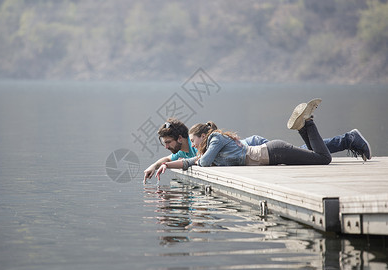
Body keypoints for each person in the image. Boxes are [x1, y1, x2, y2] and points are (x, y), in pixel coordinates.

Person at [143, 102, 372, 182]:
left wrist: (168, 164)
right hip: (264, 155)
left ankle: (312, 126)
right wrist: (159, 165)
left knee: (319, 157)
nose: (167, 148)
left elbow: (200, 162)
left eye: (168, 142)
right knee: (308, 152)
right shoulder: (195, 148)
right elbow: (184, 160)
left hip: (262, 150)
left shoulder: (206, 143)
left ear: (186, 139)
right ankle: (346, 139)